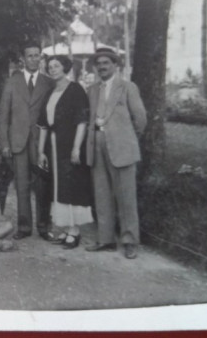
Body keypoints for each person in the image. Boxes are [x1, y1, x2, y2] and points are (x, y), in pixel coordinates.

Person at [84, 48, 147, 259]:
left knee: (126, 197)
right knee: (101, 195)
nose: (102, 66)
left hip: (121, 147)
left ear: (115, 65)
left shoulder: (127, 87)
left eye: (106, 63)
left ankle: (130, 241)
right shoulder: (92, 90)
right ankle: (106, 239)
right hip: (97, 146)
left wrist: (126, 138)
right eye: (99, 64)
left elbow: (140, 119)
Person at [0, 42, 55, 240]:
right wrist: (4, 143)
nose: (33, 59)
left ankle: (43, 226)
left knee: (42, 185)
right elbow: (3, 116)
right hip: (18, 141)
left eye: (36, 55)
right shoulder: (12, 82)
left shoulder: (49, 82)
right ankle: (24, 227)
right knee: (21, 184)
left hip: (41, 143)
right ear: (23, 59)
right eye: (29, 55)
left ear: (41, 58)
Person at [36, 55, 93, 250]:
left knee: (72, 185)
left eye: (56, 66)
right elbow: (43, 125)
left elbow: (82, 121)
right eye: (50, 66)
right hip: (52, 146)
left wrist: (77, 147)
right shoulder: (50, 92)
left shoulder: (75, 89)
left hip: (70, 144)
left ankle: (75, 230)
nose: (52, 69)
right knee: (58, 186)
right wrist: (40, 152)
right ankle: (66, 228)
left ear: (65, 68)